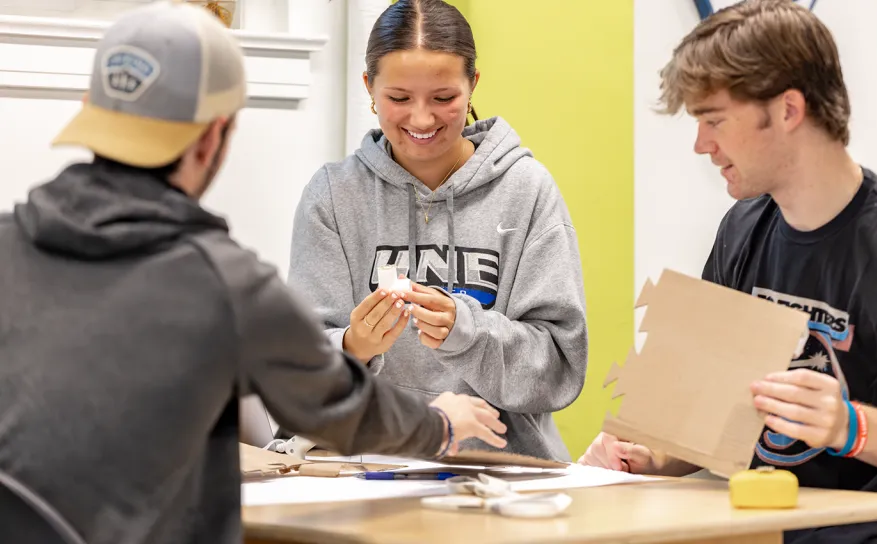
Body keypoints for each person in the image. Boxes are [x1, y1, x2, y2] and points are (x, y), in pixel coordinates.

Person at [0, 2, 508, 543]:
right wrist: (443, 424)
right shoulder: (224, 283)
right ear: (214, 134)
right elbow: (341, 408)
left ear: (91, 114)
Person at [578, 1, 877, 542]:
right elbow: (709, 418)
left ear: (787, 111)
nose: (701, 144)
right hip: (767, 530)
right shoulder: (741, 228)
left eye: (714, 120)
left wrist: (852, 427)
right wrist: (650, 453)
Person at [288, 0, 588, 461]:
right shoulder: (332, 195)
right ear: (369, 88)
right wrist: (353, 346)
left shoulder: (526, 190)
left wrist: (466, 332)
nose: (422, 119)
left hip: (502, 476)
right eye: (400, 98)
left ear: (473, 86)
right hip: (366, 471)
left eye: (444, 98)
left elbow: (559, 373)